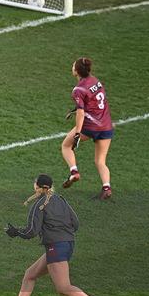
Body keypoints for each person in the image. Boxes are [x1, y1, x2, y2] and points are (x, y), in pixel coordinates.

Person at [0, 174, 102, 296]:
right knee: (30, 274)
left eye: (35, 184)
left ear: (39, 187)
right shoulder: (61, 199)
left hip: (56, 246)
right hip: (68, 244)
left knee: (63, 287)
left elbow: (31, 232)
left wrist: (15, 232)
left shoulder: (39, 205)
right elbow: (76, 223)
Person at [62, 57, 113, 200]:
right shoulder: (95, 81)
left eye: (73, 66)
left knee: (66, 146)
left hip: (91, 127)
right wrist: (73, 110)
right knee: (100, 161)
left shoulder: (78, 90)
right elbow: (92, 101)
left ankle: (74, 172)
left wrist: (78, 132)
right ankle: (106, 188)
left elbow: (81, 112)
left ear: (77, 71)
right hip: (106, 126)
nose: (72, 68)